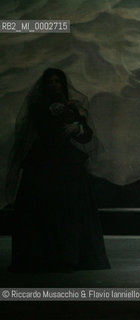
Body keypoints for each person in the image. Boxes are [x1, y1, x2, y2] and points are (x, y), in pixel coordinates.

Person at [6, 68, 110, 272]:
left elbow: (86, 136)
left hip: (67, 165)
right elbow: (39, 131)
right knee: (43, 209)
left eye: (57, 82)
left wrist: (76, 127)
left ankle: (68, 256)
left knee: (69, 210)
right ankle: (43, 256)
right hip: (43, 165)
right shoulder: (38, 107)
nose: (54, 85)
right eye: (50, 82)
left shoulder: (73, 107)